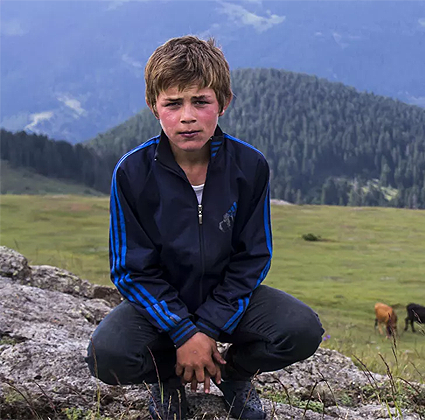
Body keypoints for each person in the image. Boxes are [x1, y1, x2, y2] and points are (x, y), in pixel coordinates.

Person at [85, 35, 324, 420]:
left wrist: (208, 326)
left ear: (223, 103)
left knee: (301, 330)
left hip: (229, 303)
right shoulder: (132, 173)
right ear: (153, 106)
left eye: (201, 101)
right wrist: (181, 331)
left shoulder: (249, 166)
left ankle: (235, 375)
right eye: (173, 103)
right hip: (160, 307)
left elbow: (253, 257)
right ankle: (167, 379)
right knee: (106, 355)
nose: (187, 116)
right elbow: (130, 269)